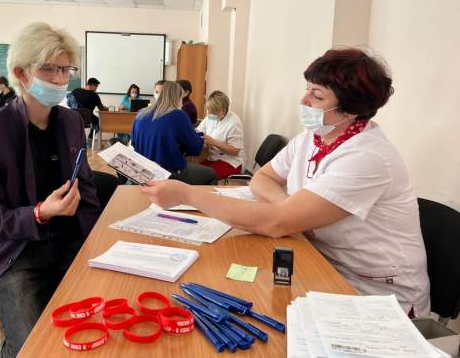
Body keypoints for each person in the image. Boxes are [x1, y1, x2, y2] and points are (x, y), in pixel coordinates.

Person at [141, 47, 430, 316]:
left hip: (372, 291)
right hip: (318, 260)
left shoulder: (367, 156)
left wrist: (189, 195)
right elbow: (263, 178)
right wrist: (289, 208)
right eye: (307, 90)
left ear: (352, 108)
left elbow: (277, 223)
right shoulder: (311, 138)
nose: (304, 101)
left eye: (317, 96)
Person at [0, 22, 101, 358]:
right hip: (16, 254)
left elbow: (86, 187)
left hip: (71, 243)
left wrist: (97, 238)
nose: (60, 79)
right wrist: (39, 213)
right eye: (50, 69)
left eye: (66, 70)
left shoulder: (71, 121)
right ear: (21, 73)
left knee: (100, 331)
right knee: (32, 348)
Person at [131, 81, 216, 185]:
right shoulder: (178, 115)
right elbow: (195, 149)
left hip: (142, 172)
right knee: (212, 174)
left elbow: (134, 143)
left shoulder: (141, 113)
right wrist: (199, 139)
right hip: (167, 173)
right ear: (177, 97)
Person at [197, 91, 245, 180]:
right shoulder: (211, 117)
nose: (209, 114)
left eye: (212, 112)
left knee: (202, 177)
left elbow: (235, 151)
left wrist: (213, 142)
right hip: (213, 158)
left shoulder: (234, 123)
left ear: (223, 111)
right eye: (208, 110)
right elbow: (198, 131)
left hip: (230, 162)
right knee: (194, 173)